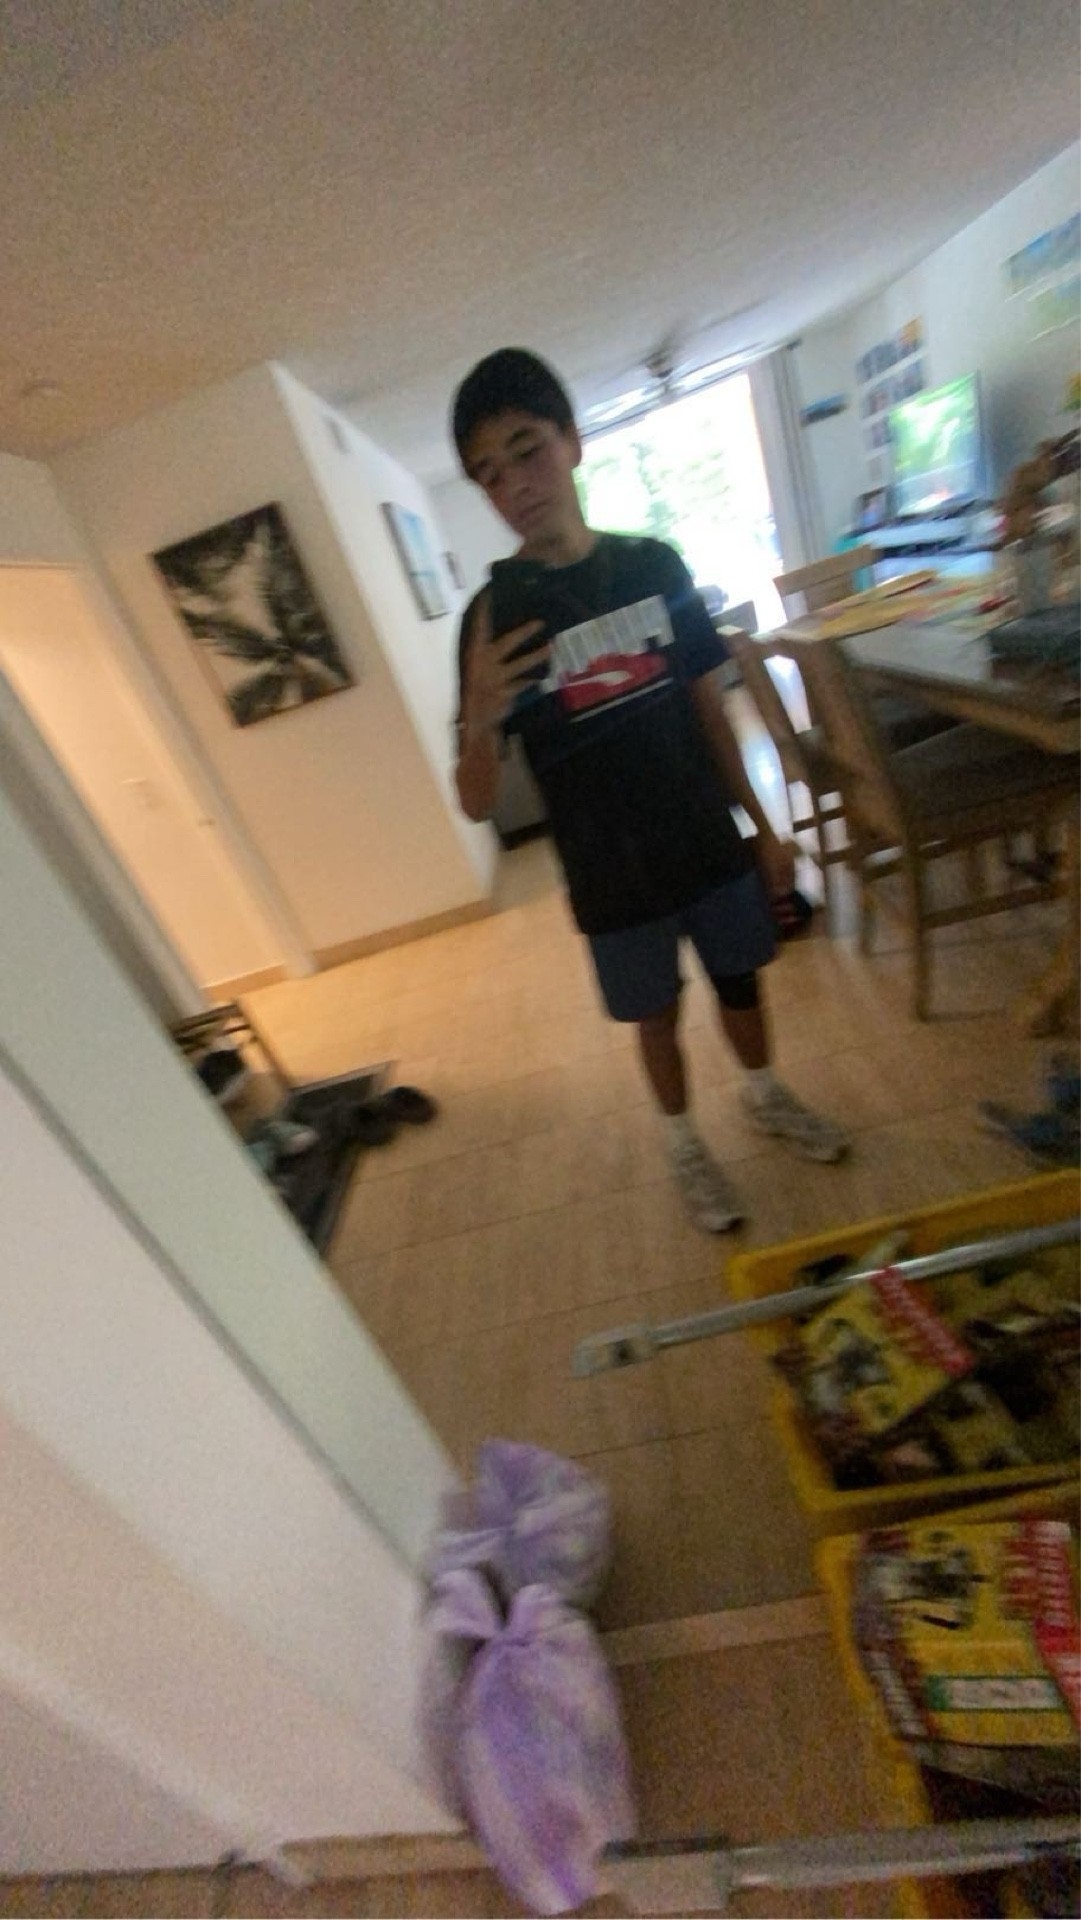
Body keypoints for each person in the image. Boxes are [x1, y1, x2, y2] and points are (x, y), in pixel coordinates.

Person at [451, 348, 848, 1230]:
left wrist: (764, 827)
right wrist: (477, 717)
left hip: (702, 835)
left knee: (741, 983)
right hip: (608, 871)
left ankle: (764, 1094)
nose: (514, 484)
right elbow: (475, 803)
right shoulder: (493, 618)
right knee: (655, 1015)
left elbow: (709, 710)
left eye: (526, 450)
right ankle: (682, 1146)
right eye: (488, 473)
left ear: (571, 441)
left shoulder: (653, 567)